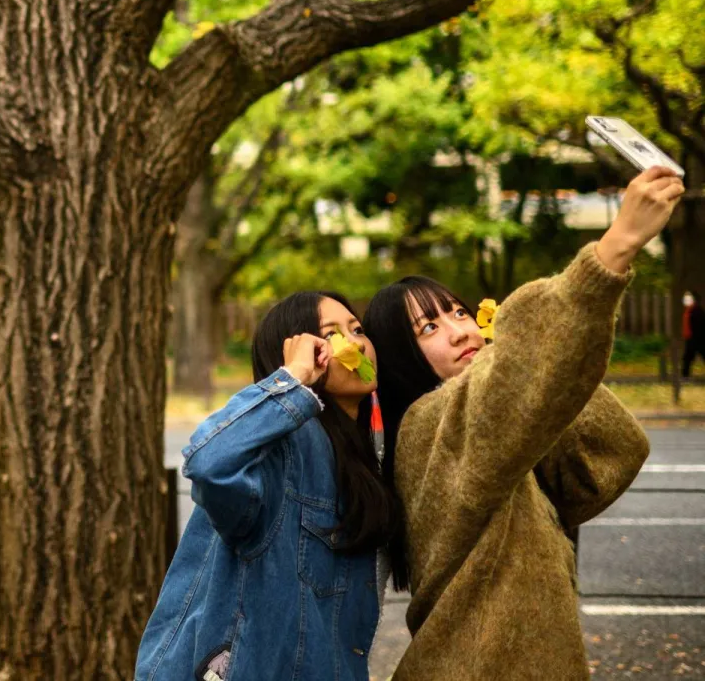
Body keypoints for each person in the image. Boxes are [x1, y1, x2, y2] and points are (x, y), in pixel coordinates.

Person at [364, 165, 681, 681]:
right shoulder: (426, 428)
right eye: (429, 326)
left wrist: (529, 374)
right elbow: (512, 383)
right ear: (401, 358)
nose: (459, 330)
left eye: (458, 312)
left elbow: (611, 454)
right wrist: (616, 245)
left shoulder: (486, 425)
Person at [136, 291, 397, 681]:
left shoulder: (365, 459)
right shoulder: (282, 446)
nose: (356, 342)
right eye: (332, 334)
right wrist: (292, 381)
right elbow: (208, 463)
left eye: (357, 329)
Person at [684, 292, 704, 379]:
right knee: (688, 357)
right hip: (691, 338)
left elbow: (700, 326)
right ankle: (685, 374)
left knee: (689, 357)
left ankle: (685, 374)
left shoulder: (697, 311)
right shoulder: (689, 311)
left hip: (698, 339)